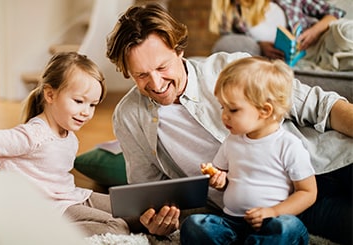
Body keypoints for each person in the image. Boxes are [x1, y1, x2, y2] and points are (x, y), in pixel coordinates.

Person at [106, 3, 352, 244]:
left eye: (162, 67)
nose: (157, 84)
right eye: (141, 75)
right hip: (252, 213)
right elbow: (148, 194)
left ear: (178, 50)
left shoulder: (227, 68)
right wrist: (156, 220)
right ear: (127, 72)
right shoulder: (129, 117)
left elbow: (319, 104)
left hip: (322, 167)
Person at [0, 52, 129, 236]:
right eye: (79, 101)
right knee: (117, 227)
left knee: (131, 209)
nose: (86, 112)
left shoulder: (69, 135)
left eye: (92, 105)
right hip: (45, 210)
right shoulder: (35, 134)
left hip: (69, 197)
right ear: (50, 94)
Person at [180, 57, 317, 244]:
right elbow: (225, 179)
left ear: (265, 111)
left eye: (233, 110)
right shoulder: (232, 141)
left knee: (288, 228)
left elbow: (308, 192)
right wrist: (219, 181)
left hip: (272, 221)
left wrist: (274, 212)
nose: (224, 116)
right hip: (231, 222)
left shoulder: (288, 145)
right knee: (194, 225)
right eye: (223, 107)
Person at [208, 0, 347, 66]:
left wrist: (314, 31)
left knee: (344, 30)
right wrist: (260, 45)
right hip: (287, 60)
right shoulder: (233, 14)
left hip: (316, 43)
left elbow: (334, 12)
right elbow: (231, 42)